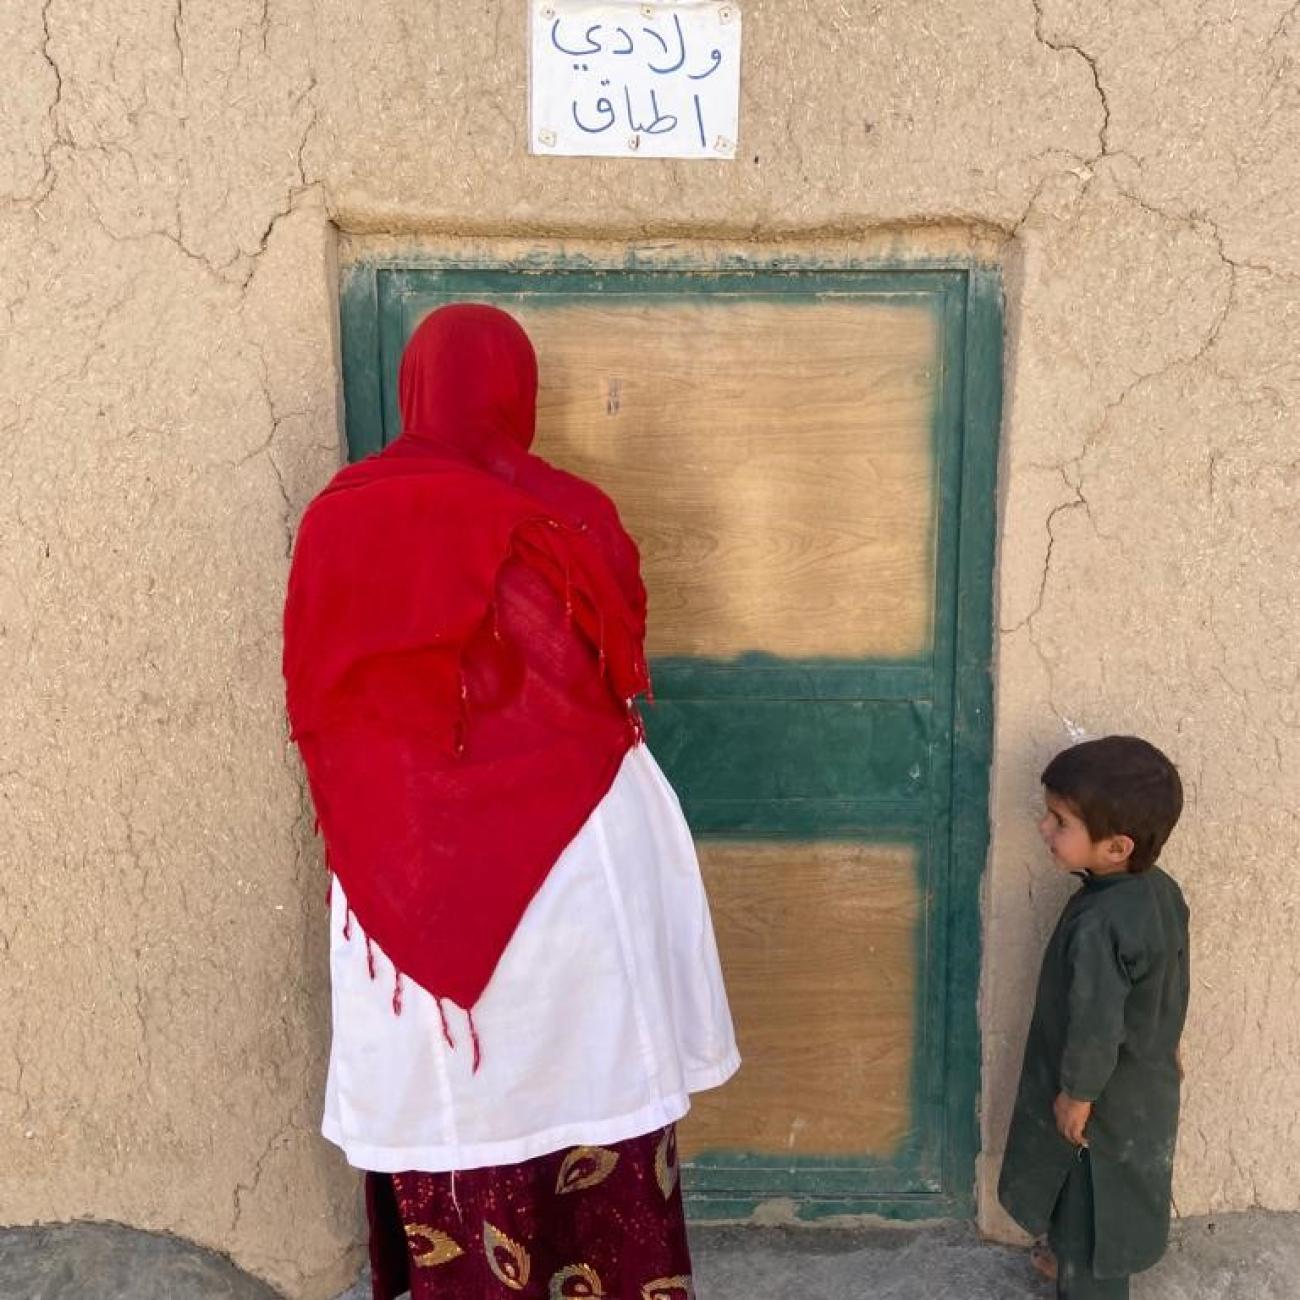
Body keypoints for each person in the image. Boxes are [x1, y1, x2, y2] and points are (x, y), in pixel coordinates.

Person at [283, 304, 739, 1300]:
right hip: (587, 855)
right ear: (514, 392)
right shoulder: (568, 511)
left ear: (413, 386)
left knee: (456, 1101)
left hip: (400, 858)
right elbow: (607, 675)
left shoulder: (340, 516)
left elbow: (329, 707)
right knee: (593, 1081)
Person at [998, 735, 1189, 1299]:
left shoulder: (1101, 923)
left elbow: (1097, 1022)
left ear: (1115, 847)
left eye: (1059, 821)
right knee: (1108, 1187)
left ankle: (1086, 1282)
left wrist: (1077, 1093)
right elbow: (1169, 977)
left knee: (1091, 1196)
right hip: (1142, 1077)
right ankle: (1072, 1260)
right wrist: (1170, 1041)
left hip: (1102, 1094)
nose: (1043, 830)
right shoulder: (1160, 892)